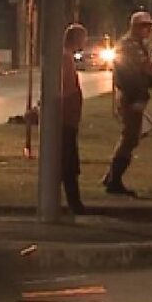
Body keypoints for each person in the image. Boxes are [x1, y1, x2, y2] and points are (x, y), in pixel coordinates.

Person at [104, 10, 152, 196]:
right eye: (145, 26)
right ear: (136, 27)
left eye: (150, 27)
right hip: (131, 97)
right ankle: (114, 181)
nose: (149, 30)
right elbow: (144, 70)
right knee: (129, 138)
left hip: (133, 96)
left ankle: (112, 177)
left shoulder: (135, 44)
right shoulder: (131, 45)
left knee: (130, 137)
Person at [61, 23, 87, 214]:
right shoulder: (66, 58)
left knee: (69, 162)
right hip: (65, 119)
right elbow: (66, 87)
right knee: (68, 163)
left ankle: (74, 202)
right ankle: (74, 203)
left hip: (69, 118)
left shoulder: (66, 57)